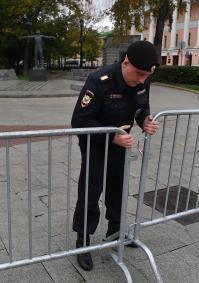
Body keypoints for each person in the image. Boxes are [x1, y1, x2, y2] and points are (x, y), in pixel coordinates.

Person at [71, 40, 161, 271]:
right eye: (140, 74)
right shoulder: (99, 82)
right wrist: (112, 137)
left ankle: (116, 230)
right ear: (126, 63)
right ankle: (83, 242)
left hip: (123, 145)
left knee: (118, 189)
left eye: (147, 76)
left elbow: (141, 107)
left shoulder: (141, 79)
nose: (143, 80)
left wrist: (145, 121)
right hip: (96, 146)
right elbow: (79, 121)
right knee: (90, 193)